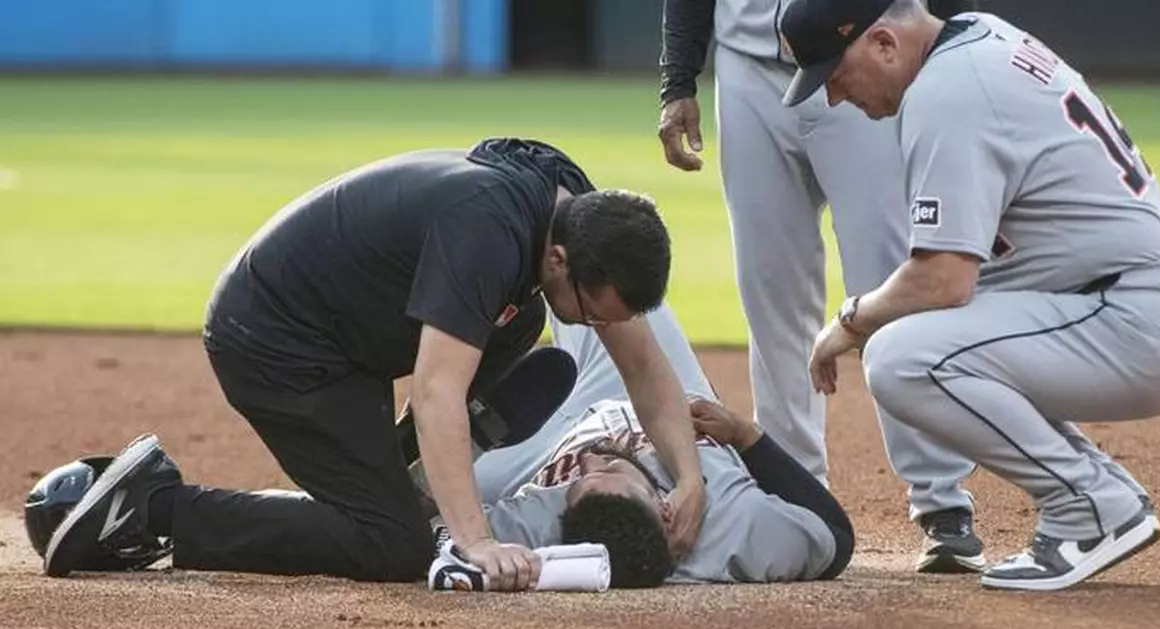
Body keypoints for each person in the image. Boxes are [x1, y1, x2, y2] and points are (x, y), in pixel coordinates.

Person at [41, 138, 709, 591]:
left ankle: (405, 466)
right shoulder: (490, 233)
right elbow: (437, 383)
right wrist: (473, 540)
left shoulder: (574, 213)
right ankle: (154, 509)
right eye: (592, 310)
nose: (597, 327)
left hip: (344, 333)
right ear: (560, 258)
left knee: (524, 318)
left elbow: (644, 364)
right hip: (275, 339)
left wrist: (688, 479)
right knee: (395, 545)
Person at [788, 0, 1160, 590]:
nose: (833, 97)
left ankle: (1089, 506)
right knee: (932, 335)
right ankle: (1096, 492)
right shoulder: (984, 38)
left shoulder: (947, 92)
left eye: (836, 74)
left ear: (883, 43)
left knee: (902, 357)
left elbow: (942, 279)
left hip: (1131, 320)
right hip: (1135, 305)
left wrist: (850, 321)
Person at [657, 0, 986, 573]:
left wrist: (948, 57)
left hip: (863, 50)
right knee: (770, 291)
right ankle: (795, 491)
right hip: (748, 71)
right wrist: (677, 80)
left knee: (892, 282)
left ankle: (941, 500)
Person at [466, 304, 854, 587]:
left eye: (579, 483)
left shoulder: (537, 525)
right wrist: (746, 436)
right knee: (602, 270)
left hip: (554, 438)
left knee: (452, 475)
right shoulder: (738, 526)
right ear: (664, 510)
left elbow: (435, 538)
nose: (589, 464)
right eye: (611, 471)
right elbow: (836, 537)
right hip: (670, 391)